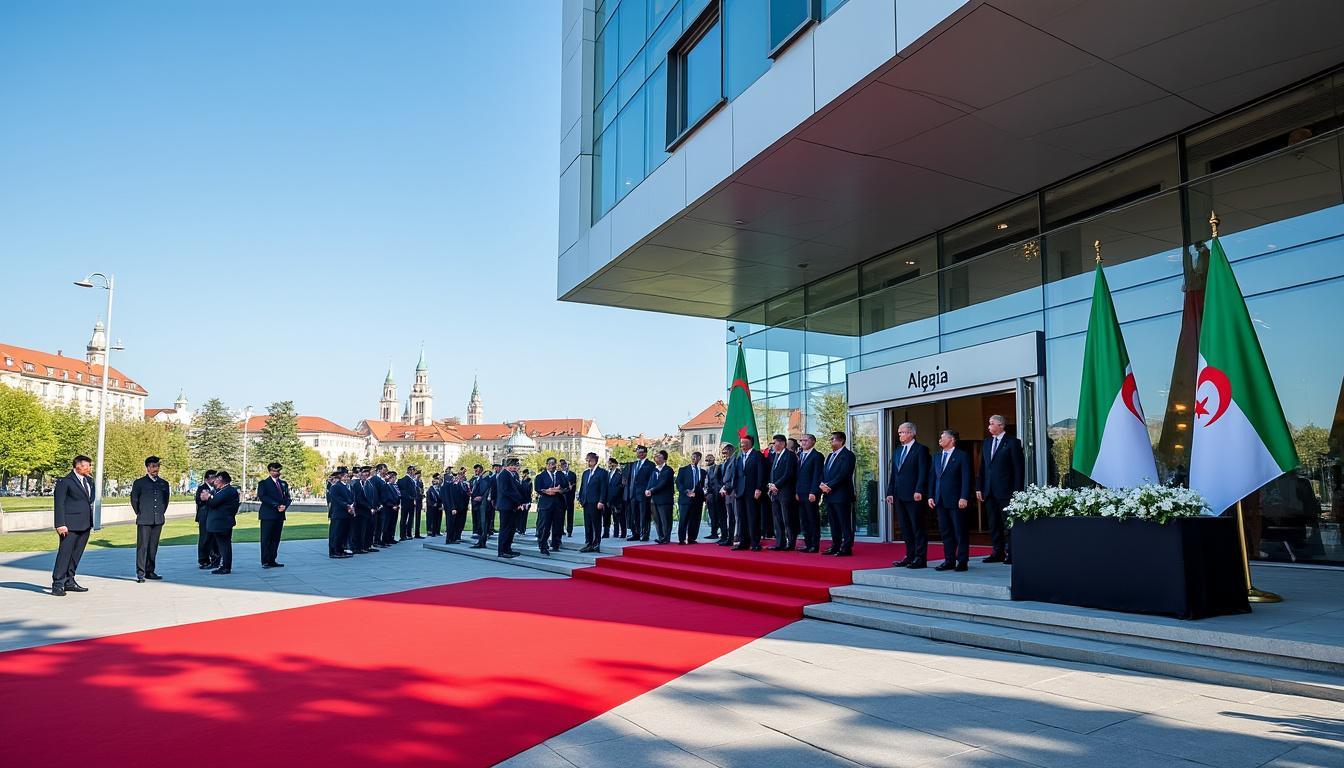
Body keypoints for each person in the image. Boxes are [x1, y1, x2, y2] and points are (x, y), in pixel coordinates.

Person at [978, 415, 1024, 565]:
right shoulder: (986, 443)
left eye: (992, 423)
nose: (989, 426)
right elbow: (983, 467)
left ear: (1001, 425)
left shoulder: (1012, 443)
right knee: (993, 523)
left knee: (1008, 524)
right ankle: (997, 552)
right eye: (989, 423)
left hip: (1007, 490)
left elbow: (1018, 468)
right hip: (989, 490)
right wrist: (979, 487)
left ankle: (1012, 553)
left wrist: (1017, 491)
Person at [886, 422, 931, 569]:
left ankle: (920, 557)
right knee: (905, 527)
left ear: (911, 433)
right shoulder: (898, 451)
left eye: (902, 432)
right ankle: (909, 555)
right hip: (899, 495)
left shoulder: (921, 450)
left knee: (917, 526)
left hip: (914, 494)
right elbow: (894, 474)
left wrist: (919, 490)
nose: (900, 435)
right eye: (899, 433)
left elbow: (923, 472)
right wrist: (890, 492)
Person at [51, 455, 96, 596]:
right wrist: (60, 524)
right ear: (78, 466)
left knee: (76, 555)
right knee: (65, 554)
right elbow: (59, 504)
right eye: (88, 465)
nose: (90, 468)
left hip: (85, 524)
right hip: (69, 526)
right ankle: (58, 583)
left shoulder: (89, 481)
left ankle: (69, 581)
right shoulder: (65, 482)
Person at [929, 429, 972, 572]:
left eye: (943, 437)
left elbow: (966, 478)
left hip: (956, 499)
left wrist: (964, 496)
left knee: (960, 531)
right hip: (940, 499)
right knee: (945, 532)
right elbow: (933, 478)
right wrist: (931, 496)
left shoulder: (962, 456)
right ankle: (949, 560)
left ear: (952, 439)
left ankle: (962, 561)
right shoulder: (936, 456)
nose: (940, 440)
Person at [130, 455, 171, 582]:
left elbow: (165, 501)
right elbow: (134, 500)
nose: (155, 469)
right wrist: (140, 512)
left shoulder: (163, 483)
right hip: (144, 519)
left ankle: (150, 571)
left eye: (157, 466)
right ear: (147, 468)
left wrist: (159, 513)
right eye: (153, 466)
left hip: (157, 519)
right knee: (143, 547)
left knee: (153, 547)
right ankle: (141, 573)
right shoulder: (139, 483)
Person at [819, 431, 856, 557]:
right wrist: (822, 484)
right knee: (833, 522)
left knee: (844, 521)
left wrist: (829, 485)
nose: (831, 442)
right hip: (829, 495)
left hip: (842, 494)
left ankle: (846, 547)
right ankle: (835, 545)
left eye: (832, 439)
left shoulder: (848, 455)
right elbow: (825, 472)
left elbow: (844, 474)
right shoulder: (830, 456)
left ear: (840, 441)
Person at [728, 435, 767, 551]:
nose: (742, 445)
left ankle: (755, 543)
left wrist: (759, 488)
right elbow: (736, 475)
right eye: (741, 443)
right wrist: (734, 488)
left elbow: (761, 473)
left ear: (750, 444)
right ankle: (743, 542)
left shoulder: (757, 455)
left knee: (753, 517)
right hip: (740, 492)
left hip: (752, 491)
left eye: (744, 443)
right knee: (742, 517)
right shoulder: (739, 457)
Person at [201, 471, 240, 574]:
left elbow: (214, 503)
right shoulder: (220, 490)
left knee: (224, 545)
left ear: (222, 480)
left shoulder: (228, 491)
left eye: (217, 479)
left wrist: (208, 497)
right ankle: (223, 565)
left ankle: (225, 566)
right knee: (221, 545)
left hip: (223, 523)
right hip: (219, 523)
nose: (215, 482)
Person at [256, 461, 291, 568]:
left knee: (276, 538)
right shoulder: (263, 483)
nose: (276, 473)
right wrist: (276, 505)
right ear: (270, 471)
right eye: (274, 471)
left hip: (279, 515)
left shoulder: (283, 483)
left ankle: (272, 559)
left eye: (278, 471)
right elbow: (263, 497)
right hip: (268, 514)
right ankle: (265, 561)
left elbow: (288, 497)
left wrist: (285, 506)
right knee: (266, 538)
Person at [767, 435, 798, 550]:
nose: (773, 445)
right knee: (777, 518)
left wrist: (777, 485)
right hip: (775, 492)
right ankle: (780, 543)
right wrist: (770, 484)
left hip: (785, 492)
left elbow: (788, 473)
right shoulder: (776, 456)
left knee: (787, 518)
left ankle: (791, 543)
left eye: (775, 443)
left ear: (782, 443)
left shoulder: (789, 455)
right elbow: (772, 472)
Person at [795, 434, 824, 553]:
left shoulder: (817, 456)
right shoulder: (799, 455)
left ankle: (814, 544)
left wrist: (813, 492)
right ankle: (807, 543)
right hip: (800, 492)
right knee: (804, 519)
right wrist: (796, 491)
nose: (803, 443)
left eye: (805, 440)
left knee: (813, 518)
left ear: (813, 442)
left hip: (811, 493)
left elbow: (817, 475)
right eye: (801, 440)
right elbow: (797, 476)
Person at [493, 459, 526, 558]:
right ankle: (502, 550)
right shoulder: (504, 475)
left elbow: (517, 488)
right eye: (515, 465)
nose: (516, 467)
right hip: (506, 506)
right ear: (509, 466)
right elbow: (506, 490)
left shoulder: (513, 475)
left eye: (517, 466)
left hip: (512, 506)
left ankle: (508, 548)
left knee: (511, 529)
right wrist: (519, 500)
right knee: (505, 528)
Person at [534, 457, 567, 555]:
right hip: (546, 504)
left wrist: (560, 490)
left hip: (558, 503)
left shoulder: (560, 475)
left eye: (553, 464)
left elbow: (566, 487)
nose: (551, 466)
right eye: (550, 464)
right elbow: (538, 488)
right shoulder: (540, 476)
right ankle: (543, 545)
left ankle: (556, 543)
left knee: (558, 525)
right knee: (544, 526)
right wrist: (547, 491)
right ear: (546, 464)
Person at [579, 452, 609, 553]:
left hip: (596, 502)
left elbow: (603, 488)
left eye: (589, 460)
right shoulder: (586, 473)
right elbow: (583, 487)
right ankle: (588, 542)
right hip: (586, 502)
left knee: (596, 523)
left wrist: (601, 501)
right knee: (587, 523)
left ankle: (596, 543)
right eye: (587, 460)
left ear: (595, 461)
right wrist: (581, 498)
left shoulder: (602, 473)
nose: (588, 462)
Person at [625, 446, 654, 541]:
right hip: (633, 493)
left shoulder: (650, 465)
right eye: (637, 452)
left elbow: (651, 479)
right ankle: (636, 533)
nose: (638, 454)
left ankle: (644, 533)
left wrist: (648, 490)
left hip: (643, 494)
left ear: (645, 453)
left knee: (644, 515)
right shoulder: (634, 464)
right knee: (634, 514)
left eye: (641, 452)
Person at [676, 451, 706, 544]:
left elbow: (705, 485)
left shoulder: (703, 472)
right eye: (693, 457)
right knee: (683, 519)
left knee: (695, 520)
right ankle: (682, 539)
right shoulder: (683, 470)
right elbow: (678, 483)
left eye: (696, 457)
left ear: (699, 458)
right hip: (685, 499)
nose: (694, 459)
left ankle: (692, 538)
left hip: (698, 500)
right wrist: (686, 491)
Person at [645, 450, 674, 544]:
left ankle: (666, 537)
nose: (656, 458)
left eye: (659, 457)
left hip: (665, 499)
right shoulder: (654, 469)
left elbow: (663, 483)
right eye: (656, 456)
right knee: (657, 520)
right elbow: (650, 481)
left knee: (665, 519)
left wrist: (651, 490)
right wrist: (647, 489)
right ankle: (660, 536)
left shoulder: (668, 470)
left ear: (664, 459)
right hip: (654, 499)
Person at [326, 468, 355, 559]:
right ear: (340, 477)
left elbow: (350, 498)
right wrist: (347, 506)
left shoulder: (346, 486)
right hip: (339, 513)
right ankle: (335, 551)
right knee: (336, 533)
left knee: (343, 533)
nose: (347, 478)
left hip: (346, 513)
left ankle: (341, 549)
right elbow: (337, 500)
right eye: (345, 476)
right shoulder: (335, 487)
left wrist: (352, 506)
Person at [194, 470, 220, 569]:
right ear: (206, 479)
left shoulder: (216, 488)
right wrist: (206, 497)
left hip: (214, 516)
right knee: (204, 538)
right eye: (212, 477)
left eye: (215, 477)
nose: (214, 479)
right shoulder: (202, 488)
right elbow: (198, 500)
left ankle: (215, 557)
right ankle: (203, 559)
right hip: (204, 516)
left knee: (214, 538)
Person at [351, 467, 380, 554]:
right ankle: (358, 547)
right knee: (360, 530)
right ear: (360, 475)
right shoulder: (357, 484)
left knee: (370, 529)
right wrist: (369, 507)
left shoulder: (370, 484)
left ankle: (367, 545)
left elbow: (374, 496)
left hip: (370, 511)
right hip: (361, 511)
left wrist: (376, 506)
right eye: (363, 474)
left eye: (367, 475)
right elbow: (359, 499)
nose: (365, 476)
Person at [716, 443, 739, 547]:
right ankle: (729, 538)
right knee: (729, 516)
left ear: (731, 450)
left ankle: (736, 536)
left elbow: (734, 476)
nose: (724, 453)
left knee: (735, 515)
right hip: (727, 492)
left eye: (725, 450)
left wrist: (727, 487)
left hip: (733, 491)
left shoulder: (735, 459)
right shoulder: (726, 461)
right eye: (723, 451)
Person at [704, 452, 724, 541]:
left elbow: (720, 482)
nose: (707, 461)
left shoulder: (718, 468)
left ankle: (722, 533)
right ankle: (713, 533)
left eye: (709, 459)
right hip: (709, 496)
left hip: (716, 495)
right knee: (712, 515)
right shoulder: (706, 470)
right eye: (706, 460)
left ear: (713, 459)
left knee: (719, 515)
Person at [444, 470, 468, 544]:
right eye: (454, 477)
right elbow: (450, 498)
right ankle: (449, 539)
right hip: (452, 508)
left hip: (458, 508)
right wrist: (453, 508)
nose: (456, 478)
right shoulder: (449, 486)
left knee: (455, 524)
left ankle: (453, 538)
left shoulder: (456, 485)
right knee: (450, 524)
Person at [604, 458, 625, 539]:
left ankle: (622, 533)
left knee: (618, 516)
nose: (609, 465)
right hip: (608, 498)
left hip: (617, 498)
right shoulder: (608, 474)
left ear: (615, 464)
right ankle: (606, 533)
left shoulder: (619, 473)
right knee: (606, 516)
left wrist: (614, 495)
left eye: (610, 463)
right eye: (608, 464)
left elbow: (620, 486)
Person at [397, 466, 419, 541]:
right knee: (404, 518)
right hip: (406, 502)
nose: (414, 473)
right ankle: (403, 535)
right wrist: (411, 498)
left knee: (410, 518)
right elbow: (403, 492)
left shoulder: (412, 480)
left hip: (411, 502)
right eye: (413, 471)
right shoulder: (403, 480)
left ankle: (409, 533)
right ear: (410, 471)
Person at [559, 459, 577, 538]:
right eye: (563, 465)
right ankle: (561, 530)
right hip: (561, 498)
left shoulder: (572, 474)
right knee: (560, 515)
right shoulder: (559, 474)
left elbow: (573, 485)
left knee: (570, 515)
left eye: (566, 465)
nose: (565, 466)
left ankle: (569, 530)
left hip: (570, 498)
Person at [468, 464, 486, 541]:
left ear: (481, 470)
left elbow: (486, 489)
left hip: (480, 501)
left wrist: (482, 497)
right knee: (474, 516)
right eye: (475, 470)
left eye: (477, 470)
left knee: (479, 517)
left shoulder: (484, 479)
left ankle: (480, 532)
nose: (476, 471)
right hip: (473, 500)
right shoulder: (474, 479)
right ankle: (475, 531)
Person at [426, 473, 444, 538]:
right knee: (433, 519)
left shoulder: (440, 489)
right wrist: (433, 504)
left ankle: (438, 531)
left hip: (439, 506)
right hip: (432, 507)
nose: (436, 482)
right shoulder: (430, 490)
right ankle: (432, 532)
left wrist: (442, 505)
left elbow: (442, 498)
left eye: (437, 481)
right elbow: (428, 499)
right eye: (435, 481)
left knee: (439, 519)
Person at [518, 469, 533, 535]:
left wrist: (529, 502)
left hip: (526, 500)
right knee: (519, 515)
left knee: (524, 515)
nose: (524, 475)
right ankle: (519, 528)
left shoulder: (529, 481)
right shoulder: (520, 481)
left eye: (526, 473)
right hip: (520, 500)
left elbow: (530, 492)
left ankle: (522, 529)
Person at [413, 467, 426, 539]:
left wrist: (422, 494)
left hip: (419, 500)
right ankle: (408, 533)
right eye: (418, 474)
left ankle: (417, 533)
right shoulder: (413, 482)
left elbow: (422, 490)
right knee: (411, 517)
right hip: (414, 500)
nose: (419, 476)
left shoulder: (420, 482)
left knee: (418, 517)